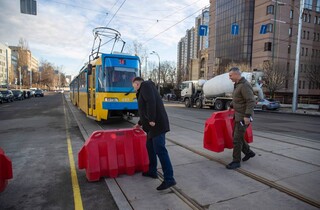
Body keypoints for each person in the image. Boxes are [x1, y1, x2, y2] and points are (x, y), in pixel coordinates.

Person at [132, 77, 176, 190]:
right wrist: (139, 123)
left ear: (137, 84)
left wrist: (151, 119)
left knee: (160, 150)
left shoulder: (145, 86)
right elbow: (144, 110)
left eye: (133, 86)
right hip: (152, 127)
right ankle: (152, 171)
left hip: (157, 125)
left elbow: (151, 102)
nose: (133, 89)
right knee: (150, 147)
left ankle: (169, 179)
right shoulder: (143, 89)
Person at [227, 67, 256, 169]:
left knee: (236, 139)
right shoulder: (238, 85)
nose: (229, 78)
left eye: (230, 75)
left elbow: (251, 101)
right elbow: (237, 99)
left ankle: (236, 161)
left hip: (244, 117)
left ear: (236, 74)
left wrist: (247, 116)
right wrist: (231, 105)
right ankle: (249, 152)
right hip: (238, 116)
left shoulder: (244, 85)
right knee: (237, 136)